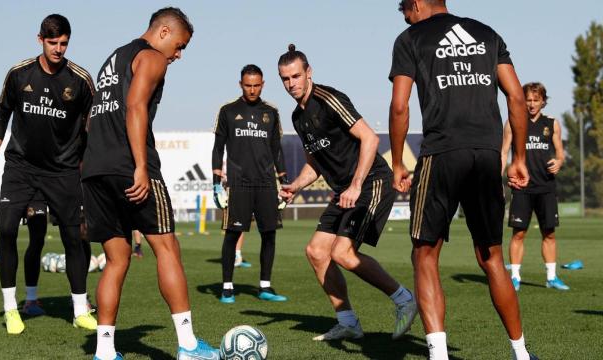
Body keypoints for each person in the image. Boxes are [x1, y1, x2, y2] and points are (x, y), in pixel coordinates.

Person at [389, 1, 538, 359]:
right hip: (487, 155)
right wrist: (518, 158)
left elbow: (399, 106)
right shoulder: (487, 33)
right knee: (492, 257)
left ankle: (438, 356)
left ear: (418, 4)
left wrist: (397, 163)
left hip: (442, 153)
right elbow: (516, 96)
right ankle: (521, 354)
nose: (407, 18)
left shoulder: (410, 39)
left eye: (406, 11)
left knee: (425, 254)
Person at [81, 7, 218, 360]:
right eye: (180, 45)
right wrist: (141, 166)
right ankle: (188, 346)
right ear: (164, 31)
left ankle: (105, 352)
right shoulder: (152, 57)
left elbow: (92, 119)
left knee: (115, 260)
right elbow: (135, 106)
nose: (178, 54)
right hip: (130, 166)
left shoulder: (114, 57)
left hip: (95, 168)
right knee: (167, 249)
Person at [278, 45, 417, 341]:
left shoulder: (329, 99)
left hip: (371, 182)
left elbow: (369, 137)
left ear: (309, 72)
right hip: (345, 191)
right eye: (285, 79)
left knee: (342, 252)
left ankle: (405, 299)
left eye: (296, 76)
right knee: (316, 252)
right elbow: (314, 163)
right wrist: (296, 186)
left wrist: (355, 185)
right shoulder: (297, 118)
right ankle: (348, 322)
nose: (291, 84)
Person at [0, 14, 96, 335]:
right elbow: (0, 118)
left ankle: (80, 309)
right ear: (40, 38)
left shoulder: (80, 80)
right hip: (21, 168)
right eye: (53, 42)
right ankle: (11, 308)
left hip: (63, 171)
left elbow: (93, 129)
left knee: (74, 238)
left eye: (64, 43)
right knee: (8, 232)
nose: (58, 49)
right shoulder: (19, 74)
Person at [212, 64, 288, 303]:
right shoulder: (227, 111)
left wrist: (283, 182)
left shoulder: (272, 112)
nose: (252, 90)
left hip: (266, 184)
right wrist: (216, 183)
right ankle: (227, 287)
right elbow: (218, 148)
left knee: (269, 234)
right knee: (233, 234)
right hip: (238, 183)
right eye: (248, 85)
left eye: (256, 85)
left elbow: (276, 150)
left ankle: (265, 286)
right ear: (241, 84)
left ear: (262, 84)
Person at [501, 82, 568, 291]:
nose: (531, 104)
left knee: (549, 233)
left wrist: (559, 162)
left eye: (535, 100)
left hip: (546, 186)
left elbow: (560, 153)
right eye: (528, 99)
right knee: (518, 233)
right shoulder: (513, 122)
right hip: (522, 187)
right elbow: (503, 152)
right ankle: (515, 277)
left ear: (543, 102)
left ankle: (551, 277)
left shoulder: (552, 123)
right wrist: (498, 177)